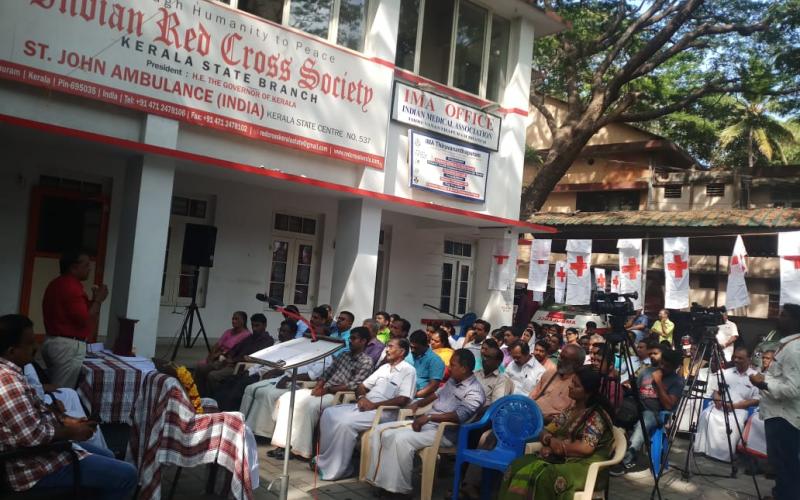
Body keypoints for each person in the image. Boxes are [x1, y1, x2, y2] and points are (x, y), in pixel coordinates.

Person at [0, 314, 137, 499]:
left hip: (42, 454)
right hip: (34, 468)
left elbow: (35, 411)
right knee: (127, 475)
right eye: (30, 343)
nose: (36, 347)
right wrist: (72, 432)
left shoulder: (13, 373)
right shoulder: (8, 382)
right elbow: (33, 436)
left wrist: (66, 420)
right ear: (11, 351)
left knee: (108, 455)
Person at [366, 349, 485, 497]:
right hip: (429, 425)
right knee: (380, 430)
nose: (449, 368)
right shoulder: (453, 380)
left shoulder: (475, 392)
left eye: (453, 365)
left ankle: (399, 490)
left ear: (464, 368)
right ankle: (381, 481)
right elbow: (436, 395)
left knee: (400, 440)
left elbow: (458, 416)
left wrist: (429, 417)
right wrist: (418, 404)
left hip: (445, 433)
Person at [499, 367, 615, 500]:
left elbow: (585, 448)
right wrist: (549, 441)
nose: (570, 387)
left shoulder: (596, 415)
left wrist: (559, 448)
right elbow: (547, 430)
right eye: (572, 382)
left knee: (544, 476)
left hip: (586, 466)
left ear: (588, 392)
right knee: (518, 464)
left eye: (576, 385)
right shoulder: (570, 410)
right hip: (564, 458)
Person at [315, 338, 416, 480]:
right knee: (328, 413)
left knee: (345, 423)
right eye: (387, 346)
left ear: (402, 351)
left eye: (391, 347)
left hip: (384, 412)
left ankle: (338, 469)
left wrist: (373, 405)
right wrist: (362, 398)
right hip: (365, 405)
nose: (387, 350)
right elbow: (362, 386)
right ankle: (324, 459)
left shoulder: (408, 370)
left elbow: (403, 399)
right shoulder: (384, 368)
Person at [271, 327, 374, 459]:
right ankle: (283, 444)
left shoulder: (366, 361)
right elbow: (327, 372)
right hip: (324, 389)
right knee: (288, 398)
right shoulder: (344, 355)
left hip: (338, 395)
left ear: (363, 341)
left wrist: (327, 390)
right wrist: (319, 385)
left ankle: (300, 450)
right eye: (350, 338)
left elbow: (354, 385)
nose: (350, 341)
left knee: (308, 407)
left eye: (354, 339)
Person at [748, 304, 800, 500]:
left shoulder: (794, 350)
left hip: (784, 418)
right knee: (780, 464)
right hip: (777, 414)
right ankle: (780, 494)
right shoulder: (787, 345)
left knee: (786, 465)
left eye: (783, 315)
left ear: (795, 321)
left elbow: (793, 389)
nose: (779, 318)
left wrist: (763, 384)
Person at [40, 250, 109, 388]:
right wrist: (98, 301)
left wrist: (94, 300)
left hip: (53, 341)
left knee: (56, 385)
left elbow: (78, 314)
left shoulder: (57, 283)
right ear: (73, 267)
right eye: (86, 265)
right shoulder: (71, 286)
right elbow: (85, 319)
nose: (90, 268)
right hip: (66, 346)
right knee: (61, 391)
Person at [611, 347, 684, 475]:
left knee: (644, 421)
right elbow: (635, 390)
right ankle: (611, 451)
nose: (662, 367)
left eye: (667, 366)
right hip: (636, 407)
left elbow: (668, 405)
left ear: (675, 367)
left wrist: (658, 382)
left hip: (656, 413)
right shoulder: (647, 371)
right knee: (618, 412)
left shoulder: (676, 381)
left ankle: (627, 458)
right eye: (661, 363)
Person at [694, 347, 759, 462]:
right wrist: (718, 400)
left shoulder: (756, 377)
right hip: (721, 406)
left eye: (740, 358)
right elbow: (715, 391)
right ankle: (702, 449)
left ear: (749, 359)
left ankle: (723, 455)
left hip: (740, 409)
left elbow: (756, 399)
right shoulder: (726, 373)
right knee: (706, 414)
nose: (736, 360)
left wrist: (734, 406)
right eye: (735, 357)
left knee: (733, 422)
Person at [214, 319, 292, 411]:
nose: (281, 333)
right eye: (280, 330)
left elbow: (281, 368)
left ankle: (229, 411)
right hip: (256, 371)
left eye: (285, 331)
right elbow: (262, 361)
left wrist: (259, 372)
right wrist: (249, 371)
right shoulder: (276, 343)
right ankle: (217, 408)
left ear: (292, 334)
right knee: (230, 380)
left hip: (265, 376)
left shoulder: (291, 348)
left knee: (239, 386)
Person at [194, 311, 251, 396]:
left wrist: (219, 355)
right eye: (233, 319)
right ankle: (198, 393)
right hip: (217, 357)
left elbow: (234, 351)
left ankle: (210, 395)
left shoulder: (246, 335)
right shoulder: (228, 331)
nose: (233, 321)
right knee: (200, 367)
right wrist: (211, 356)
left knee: (209, 373)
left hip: (226, 360)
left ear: (243, 321)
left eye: (236, 319)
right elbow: (217, 344)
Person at [529, 345, 586, 422]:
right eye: (560, 356)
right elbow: (534, 394)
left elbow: (567, 418)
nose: (559, 360)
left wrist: (542, 417)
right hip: (531, 413)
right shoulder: (550, 373)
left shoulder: (577, 385)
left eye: (564, 358)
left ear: (577, 364)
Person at [407, 329, 445, 399]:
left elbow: (433, 386)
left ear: (425, 345)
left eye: (416, 348)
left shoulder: (435, 360)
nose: (412, 350)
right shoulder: (408, 355)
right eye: (411, 347)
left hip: (419, 398)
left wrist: (415, 395)